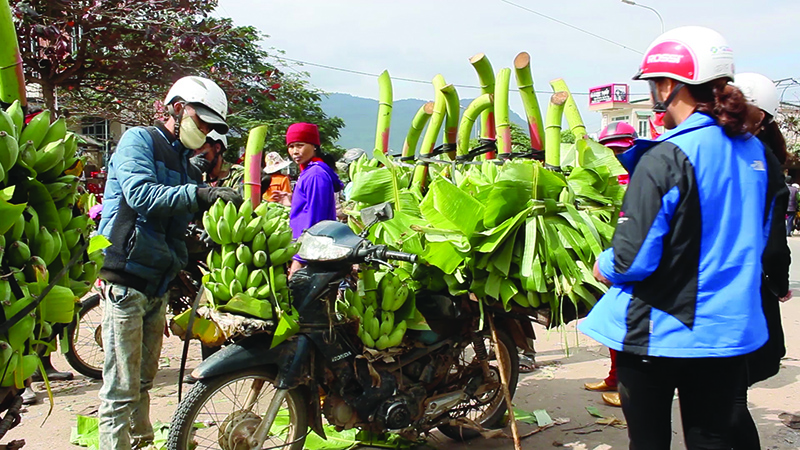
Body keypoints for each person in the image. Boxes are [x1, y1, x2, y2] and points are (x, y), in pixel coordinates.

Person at [578, 26, 773, 450]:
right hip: (727, 331)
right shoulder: (753, 151)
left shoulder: (666, 156)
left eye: (653, 84)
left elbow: (633, 259)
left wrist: (603, 265)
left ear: (668, 86)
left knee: (648, 441)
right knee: (714, 439)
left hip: (662, 329)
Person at [97, 75, 242, 450]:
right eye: (203, 121)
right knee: (121, 388)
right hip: (125, 278)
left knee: (144, 381)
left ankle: (142, 442)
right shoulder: (139, 142)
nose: (206, 132)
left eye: (212, 128)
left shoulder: (188, 166)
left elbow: (177, 228)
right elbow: (142, 195)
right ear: (178, 109)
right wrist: (200, 194)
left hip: (157, 285)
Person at [729, 72, 793, 450]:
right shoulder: (765, 160)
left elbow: (773, 244)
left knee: (729, 397)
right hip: (748, 287)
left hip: (736, 290)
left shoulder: (747, 158)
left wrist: (779, 283)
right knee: (728, 395)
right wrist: (778, 284)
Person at [582, 121, 637, 406]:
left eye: (619, 150)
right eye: (610, 151)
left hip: (629, 260)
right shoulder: (601, 178)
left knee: (627, 326)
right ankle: (615, 376)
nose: (615, 157)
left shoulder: (640, 180)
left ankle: (627, 388)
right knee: (613, 323)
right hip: (608, 258)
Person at [272, 123, 342, 276]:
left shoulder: (315, 175)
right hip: (306, 252)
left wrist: (299, 260)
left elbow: (316, 221)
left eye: (300, 145)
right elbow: (309, 208)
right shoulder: (309, 172)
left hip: (311, 255)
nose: (295, 152)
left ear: (315, 146)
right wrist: (291, 202)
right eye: (291, 146)